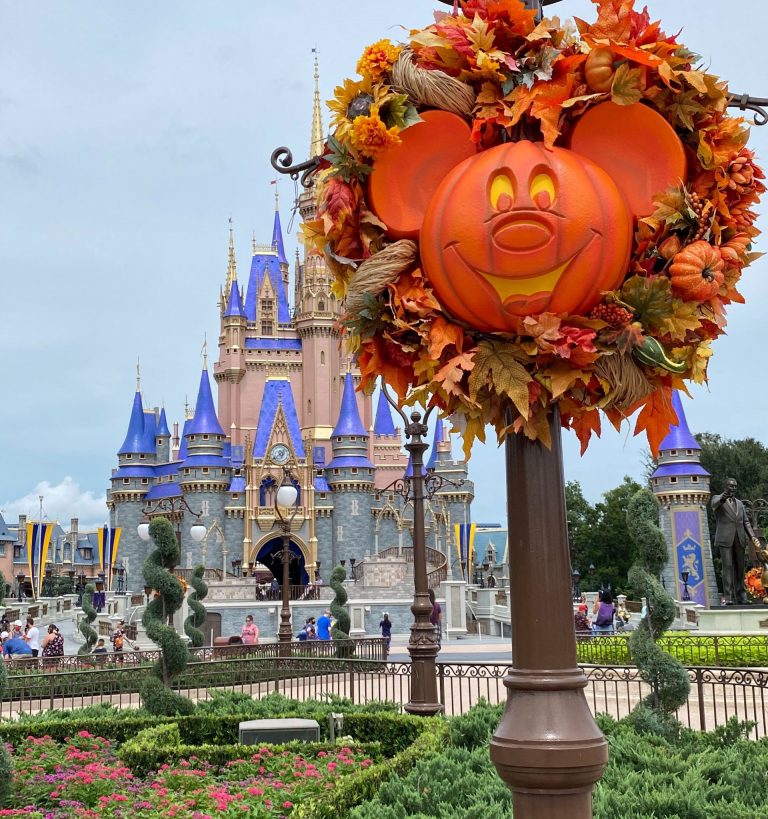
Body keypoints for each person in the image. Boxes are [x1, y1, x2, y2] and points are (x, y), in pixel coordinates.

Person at [711, 477, 761, 605]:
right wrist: (723, 497)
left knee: (740, 568)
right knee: (727, 567)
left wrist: (752, 537)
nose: (733, 488)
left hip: (739, 538)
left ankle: (741, 596)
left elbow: (745, 522)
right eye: (731, 486)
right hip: (725, 539)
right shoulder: (718, 498)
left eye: (735, 486)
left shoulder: (739, 503)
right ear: (725, 487)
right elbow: (714, 505)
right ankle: (728, 598)